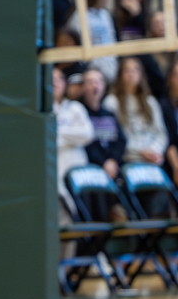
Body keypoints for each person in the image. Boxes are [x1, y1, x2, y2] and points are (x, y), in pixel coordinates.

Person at [104, 56, 171, 177]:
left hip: (152, 160)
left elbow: (161, 133)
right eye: (127, 70)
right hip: (128, 160)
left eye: (135, 70)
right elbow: (113, 139)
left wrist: (153, 151)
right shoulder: (111, 102)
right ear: (120, 75)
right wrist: (141, 152)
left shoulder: (150, 102)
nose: (131, 74)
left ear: (141, 74)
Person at [52, 66, 94, 206]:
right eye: (51, 79)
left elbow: (88, 134)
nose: (55, 82)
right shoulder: (41, 112)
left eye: (59, 79)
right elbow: (45, 139)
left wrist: (59, 131)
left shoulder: (75, 107)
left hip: (78, 169)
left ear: (65, 84)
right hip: (54, 169)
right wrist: (72, 137)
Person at [80, 68, 126, 181]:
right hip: (91, 168)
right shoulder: (79, 111)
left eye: (99, 81)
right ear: (83, 87)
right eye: (90, 82)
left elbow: (121, 140)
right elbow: (85, 143)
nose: (96, 85)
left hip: (113, 167)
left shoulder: (109, 113)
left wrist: (112, 160)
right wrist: (103, 163)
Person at [82, 0, 119, 83]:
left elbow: (111, 38)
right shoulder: (80, 17)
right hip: (93, 70)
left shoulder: (105, 15)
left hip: (111, 66)